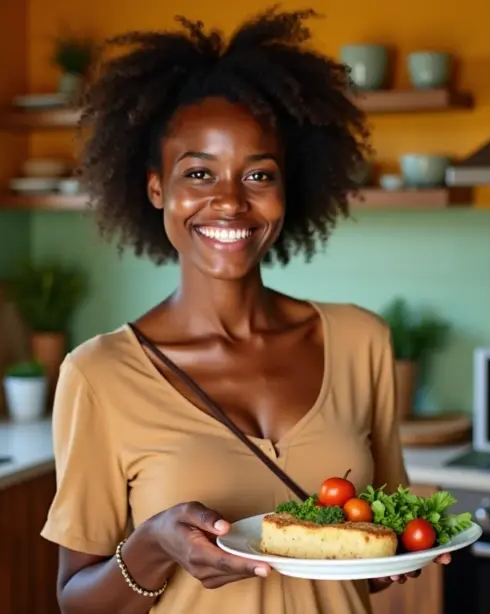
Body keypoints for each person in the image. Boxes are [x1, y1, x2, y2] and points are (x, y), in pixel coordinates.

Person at [39, 7, 447, 614]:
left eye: (258, 174)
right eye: (198, 172)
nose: (229, 201)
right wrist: (154, 546)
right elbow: (77, 603)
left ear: (289, 189)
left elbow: (380, 533)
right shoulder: (98, 375)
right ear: (157, 188)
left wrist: (390, 560)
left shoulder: (361, 340)